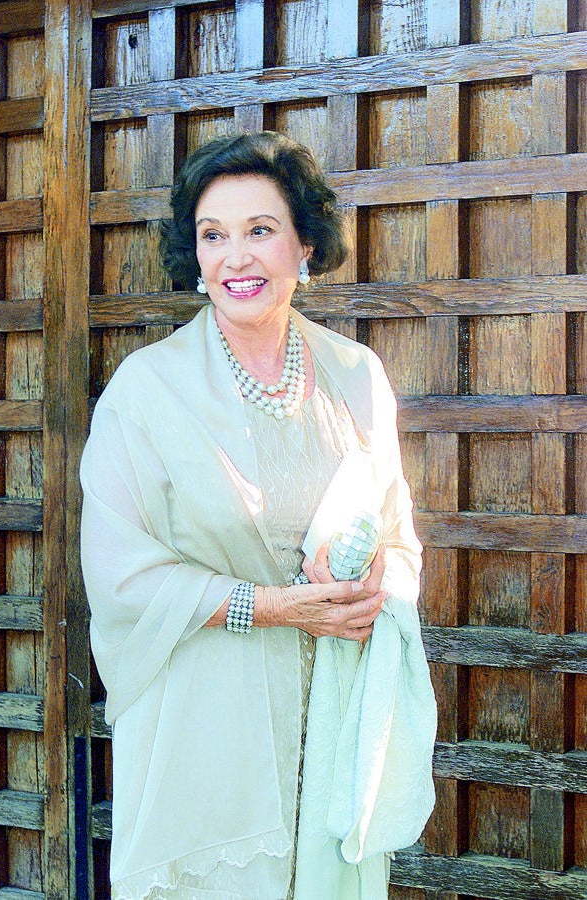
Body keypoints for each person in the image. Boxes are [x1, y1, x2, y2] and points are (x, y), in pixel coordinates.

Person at [80, 131, 437, 900]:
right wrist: (277, 607)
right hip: (204, 726)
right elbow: (119, 578)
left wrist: (373, 577)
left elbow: (399, 533)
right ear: (196, 257)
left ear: (304, 244)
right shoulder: (145, 391)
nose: (236, 257)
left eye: (260, 230)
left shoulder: (357, 374)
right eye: (214, 235)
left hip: (330, 712)